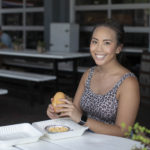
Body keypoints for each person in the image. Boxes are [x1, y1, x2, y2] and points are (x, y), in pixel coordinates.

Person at [47, 19, 140, 137]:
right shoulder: (88, 74)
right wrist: (60, 111)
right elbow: (76, 112)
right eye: (95, 42)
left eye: (107, 43)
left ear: (118, 48)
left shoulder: (128, 82)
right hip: (86, 138)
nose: (98, 48)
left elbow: (123, 131)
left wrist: (81, 119)